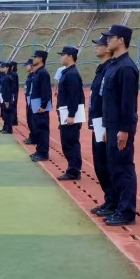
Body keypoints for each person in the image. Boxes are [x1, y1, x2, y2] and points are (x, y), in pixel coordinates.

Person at [99, 25, 140, 226]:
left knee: (123, 168)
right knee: (114, 167)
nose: (107, 40)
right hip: (112, 126)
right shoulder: (114, 65)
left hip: (121, 127)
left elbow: (128, 103)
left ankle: (126, 211)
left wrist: (124, 129)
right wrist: (108, 127)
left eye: (111, 37)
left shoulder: (126, 68)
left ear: (121, 40)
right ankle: (117, 206)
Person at [88, 36, 115, 216]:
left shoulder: (109, 69)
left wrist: (105, 123)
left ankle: (113, 201)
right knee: (99, 164)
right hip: (98, 121)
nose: (96, 48)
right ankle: (109, 200)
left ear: (107, 49)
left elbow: (108, 99)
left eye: (99, 45)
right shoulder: (101, 69)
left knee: (106, 164)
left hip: (104, 122)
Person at [55, 47, 84, 180]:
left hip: (69, 115)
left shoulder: (71, 74)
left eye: (63, 55)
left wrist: (71, 114)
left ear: (70, 56)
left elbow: (74, 96)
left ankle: (74, 171)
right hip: (65, 114)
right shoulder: (67, 72)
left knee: (71, 142)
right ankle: (72, 169)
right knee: (67, 142)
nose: (61, 57)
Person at [24, 50, 52, 162]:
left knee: (42, 129)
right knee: (37, 128)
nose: (33, 59)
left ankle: (43, 153)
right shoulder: (37, 73)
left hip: (40, 107)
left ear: (41, 59)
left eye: (35, 57)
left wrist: (43, 105)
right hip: (35, 105)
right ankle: (39, 150)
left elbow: (46, 91)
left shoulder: (43, 73)